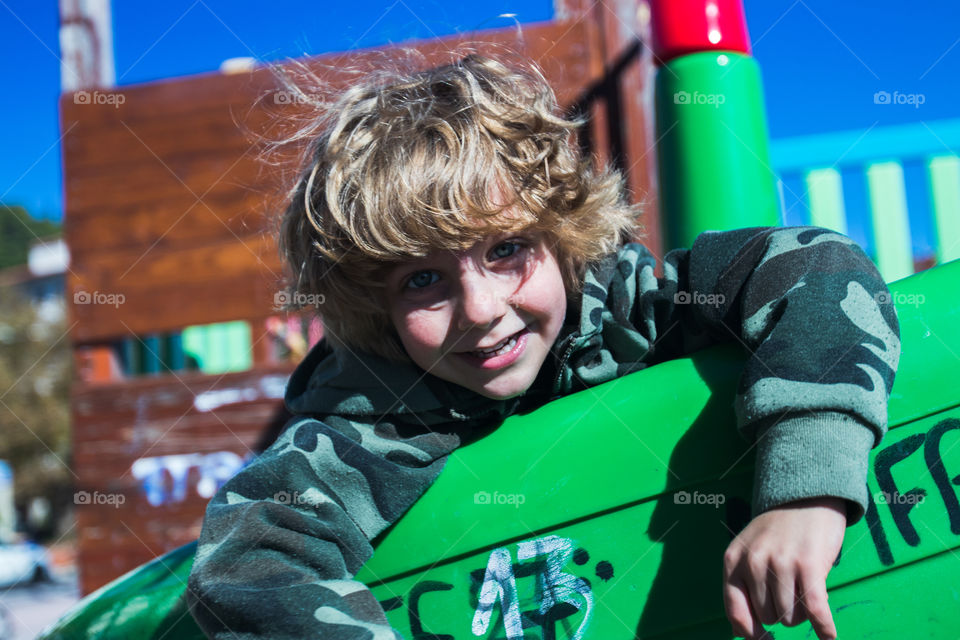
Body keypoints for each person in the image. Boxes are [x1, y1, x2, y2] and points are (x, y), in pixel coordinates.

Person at [185, 53, 900, 640]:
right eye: (424, 279)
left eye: (507, 249)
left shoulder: (630, 307)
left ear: (563, 236)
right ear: (375, 304)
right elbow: (254, 553)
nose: (481, 309)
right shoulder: (379, 414)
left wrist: (805, 489)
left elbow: (816, 265)